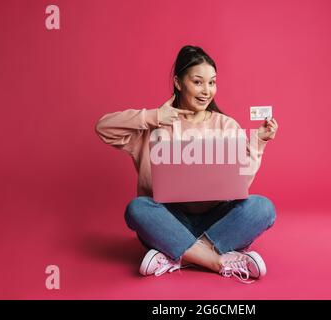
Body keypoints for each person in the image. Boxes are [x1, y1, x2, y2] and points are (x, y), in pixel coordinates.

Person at [95, 45, 279, 283]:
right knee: (137, 209)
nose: (206, 91)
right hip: (169, 219)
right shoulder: (154, 125)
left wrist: (258, 143)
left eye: (212, 82)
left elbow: (240, 184)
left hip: (217, 220)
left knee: (262, 207)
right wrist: (153, 117)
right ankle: (217, 260)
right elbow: (103, 128)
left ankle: (176, 254)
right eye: (198, 82)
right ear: (179, 83)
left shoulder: (226, 125)